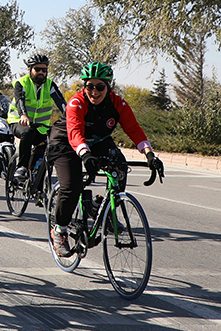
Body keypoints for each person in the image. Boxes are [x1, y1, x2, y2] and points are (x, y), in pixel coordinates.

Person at [48, 62, 164, 257]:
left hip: (97, 141)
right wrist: (85, 154)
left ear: (108, 87)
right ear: (84, 87)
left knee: (120, 167)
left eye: (100, 86)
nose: (95, 91)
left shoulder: (118, 104)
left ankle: (104, 208)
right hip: (66, 143)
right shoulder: (76, 103)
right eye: (90, 86)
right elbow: (75, 133)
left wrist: (150, 155)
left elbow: (134, 130)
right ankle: (59, 230)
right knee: (72, 185)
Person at [7, 54, 67, 182]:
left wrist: (70, 117)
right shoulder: (22, 83)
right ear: (30, 70)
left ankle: (39, 190)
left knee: (49, 144)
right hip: (18, 122)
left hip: (40, 127)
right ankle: (22, 167)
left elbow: (61, 102)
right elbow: (20, 101)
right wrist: (23, 115)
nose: (41, 72)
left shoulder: (49, 85)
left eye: (44, 70)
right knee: (27, 132)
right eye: (37, 69)